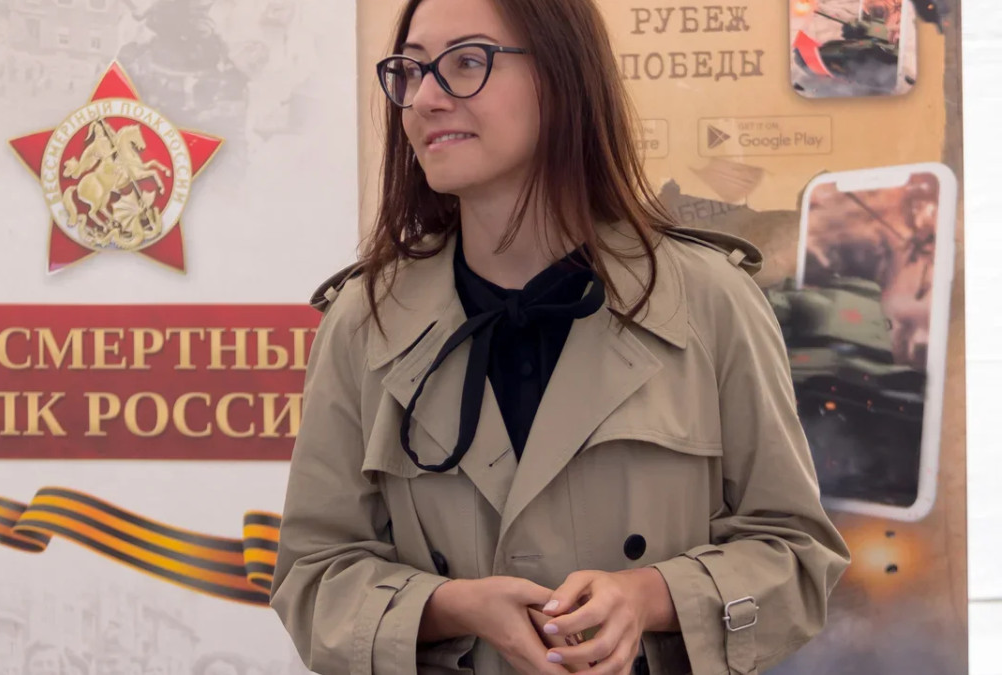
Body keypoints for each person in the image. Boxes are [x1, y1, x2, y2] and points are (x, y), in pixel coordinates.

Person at [268, 0, 851, 673]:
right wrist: (448, 606)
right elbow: (313, 578)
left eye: (466, 62)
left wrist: (652, 597)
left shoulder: (710, 302)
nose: (425, 98)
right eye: (411, 70)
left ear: (562, 75)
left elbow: (796, 556)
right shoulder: (365, 319)